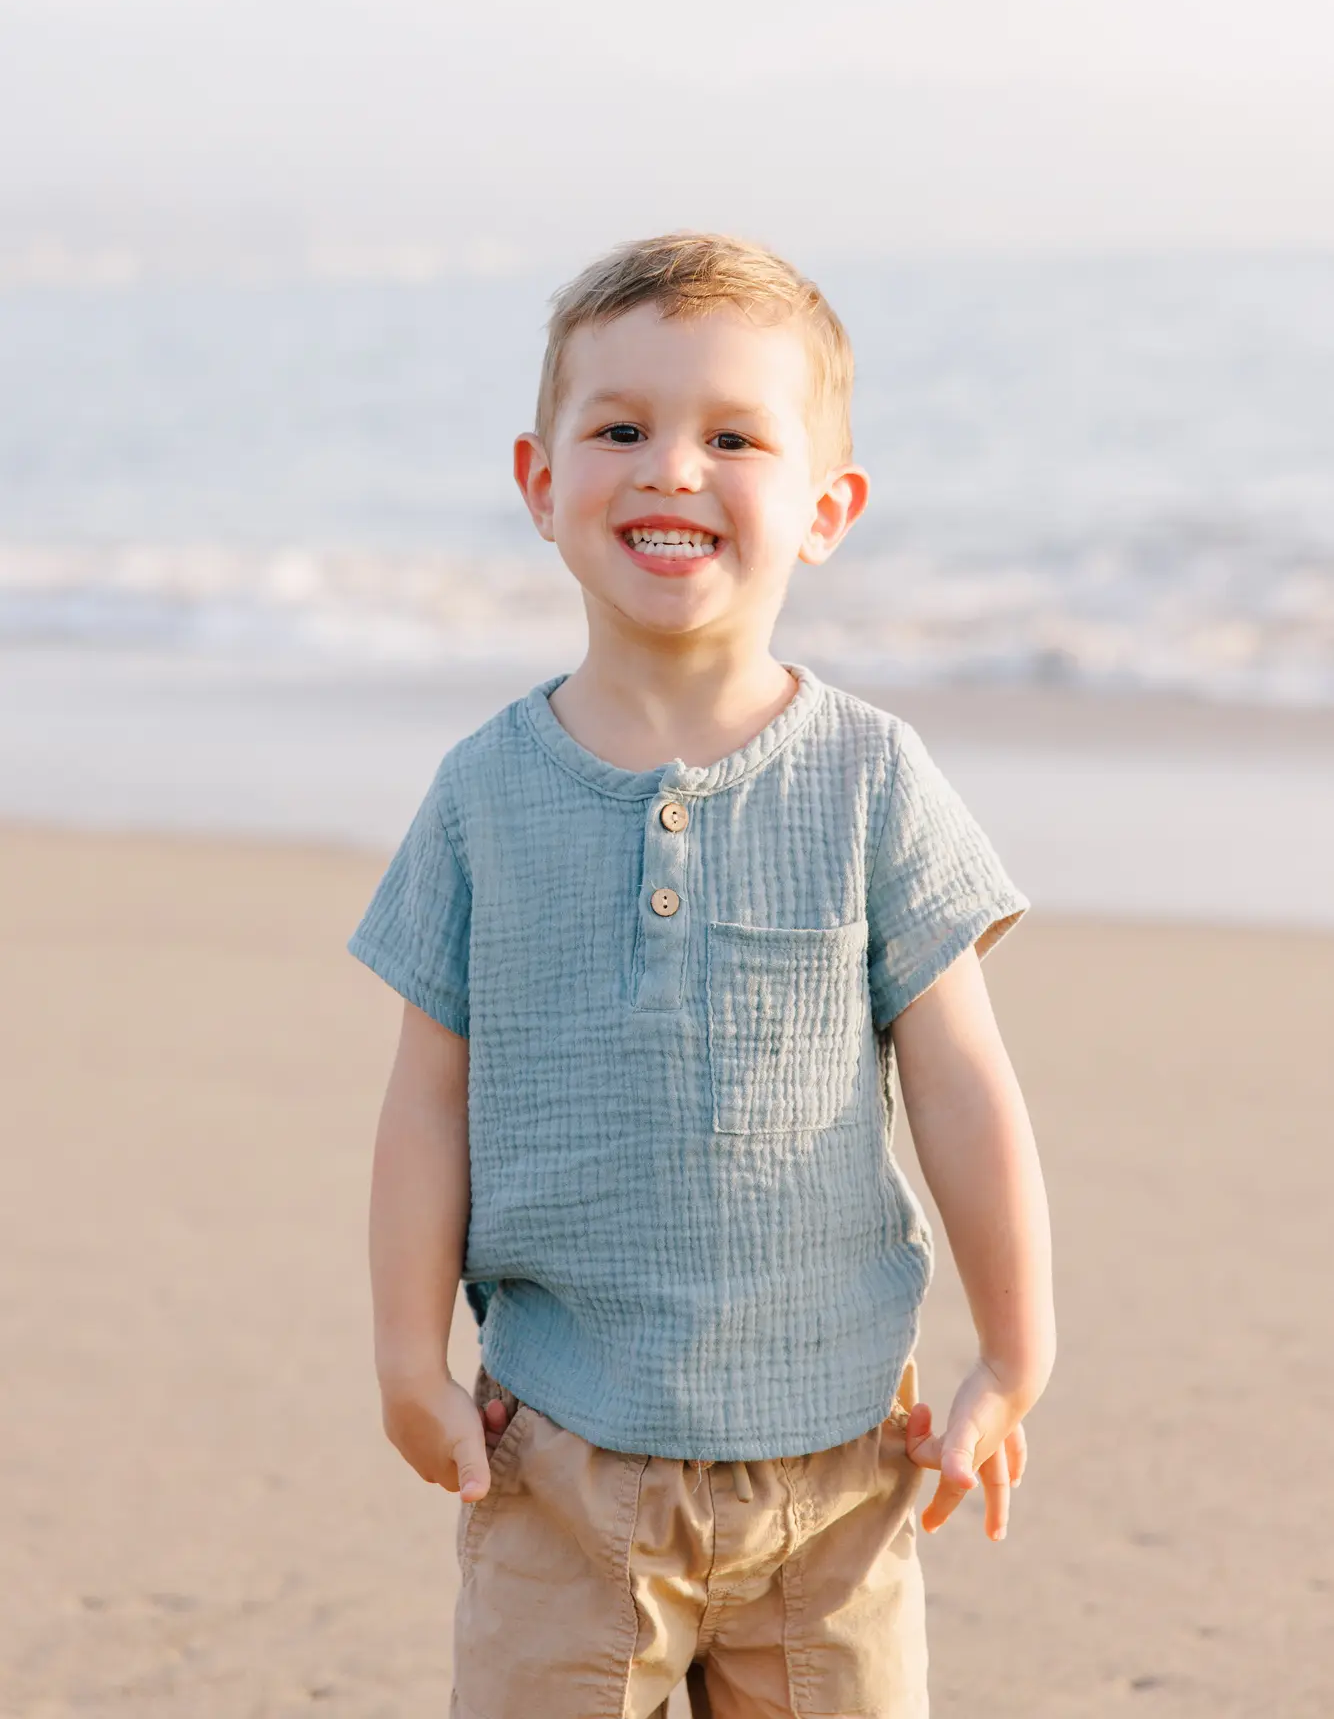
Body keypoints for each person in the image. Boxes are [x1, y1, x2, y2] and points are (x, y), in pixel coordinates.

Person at [348, 232, 1056, 1718]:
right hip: (558, 1454)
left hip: (837, 1465)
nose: (672, 468)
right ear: (541, 483)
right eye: (620, 429)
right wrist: (409, 1360)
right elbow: (427, 1104)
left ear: (826, 508)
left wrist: (1013, 1349)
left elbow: (962, 1085)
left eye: (734, 438)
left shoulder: (871, 779)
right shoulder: (482, 793)